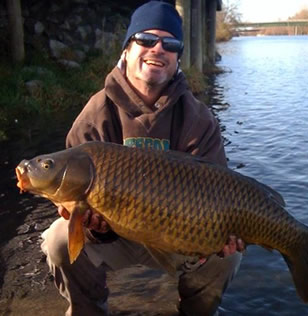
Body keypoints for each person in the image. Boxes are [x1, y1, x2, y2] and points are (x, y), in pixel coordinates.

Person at [41, 2, 244, 315]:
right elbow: (79, 213)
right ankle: (88, 310)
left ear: (178, 57)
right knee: (57, 239)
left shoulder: (199, 119)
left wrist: (221, 235)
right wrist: (93, 225)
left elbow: (218, 189)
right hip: (115, 237)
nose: (158, 49)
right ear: (126, 49)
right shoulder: (95, 114)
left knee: (227, 254)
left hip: (177, 233)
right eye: (146, 39)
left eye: (170, 44)